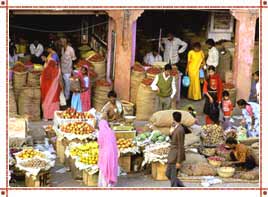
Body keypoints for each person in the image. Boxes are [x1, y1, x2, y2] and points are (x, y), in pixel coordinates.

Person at [166, 112, 185, 187]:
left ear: (173, 119)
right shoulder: (175, 127)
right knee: (167, 174)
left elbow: (181, 146)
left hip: (176, 156)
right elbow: (173, 139)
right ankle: (181, 186)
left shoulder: (180, 130)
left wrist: (178, 161)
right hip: (172, 155)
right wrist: (170, 133)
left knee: (173, 178)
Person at [98, 120, 119, 187]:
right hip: (113, 152)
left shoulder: (101, 133)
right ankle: (110, 184)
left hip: (105, 153)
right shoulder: (111, 132)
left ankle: (105, 184)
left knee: (105, 168)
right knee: (111, 167)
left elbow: (100, 144)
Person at [60, 37, 77, 103]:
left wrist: (72, 69)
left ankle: (67, 98)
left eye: (61, 42)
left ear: (65, 42)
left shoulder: (70, 49)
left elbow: (74, 59)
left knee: (67, 84)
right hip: (63, 69)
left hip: (68, 69)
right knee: (64, 84)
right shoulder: (62, 49)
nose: (60, 43)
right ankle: (65, 96)